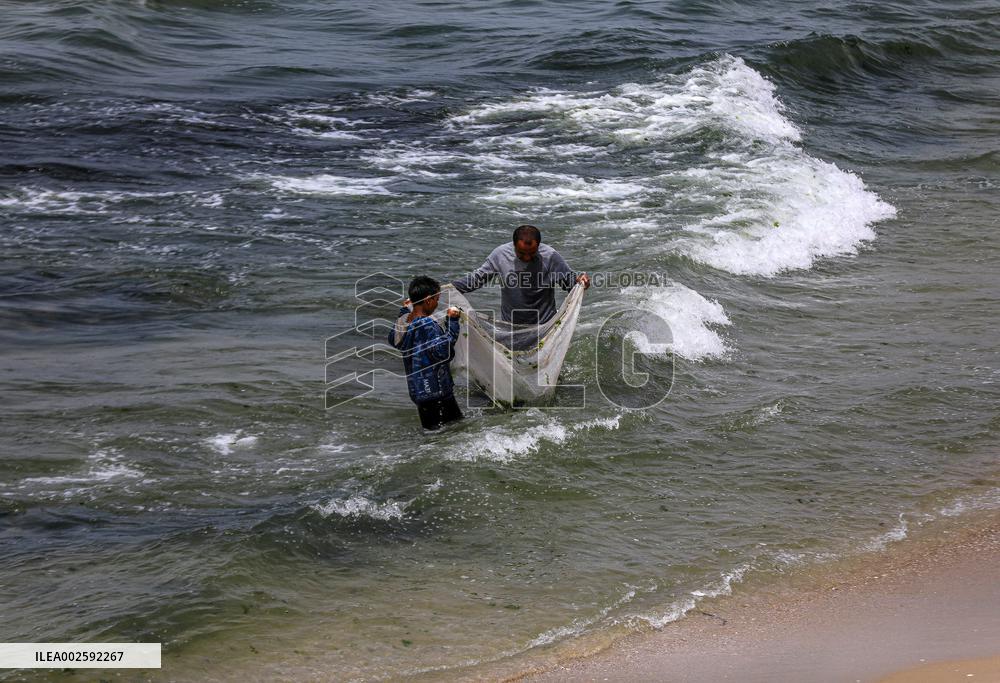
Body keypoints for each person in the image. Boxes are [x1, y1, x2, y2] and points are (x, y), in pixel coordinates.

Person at [451, 225, 590, 325]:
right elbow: (476, 279)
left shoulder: (550, 256)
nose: (527, 258)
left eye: (532, 253)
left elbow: (570, 283)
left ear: (539, 246)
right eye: (521, 253)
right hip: (510, 326)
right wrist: (449, 288)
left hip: (545, 326)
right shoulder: (500, 255)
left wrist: (581, 281)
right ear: (514, 246)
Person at [388, 275, 463, 431]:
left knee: (433, 434)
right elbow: (443, 352)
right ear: (428, 300)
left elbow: (392, 339)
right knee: (454, 431)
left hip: (419, 392)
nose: (436, 304)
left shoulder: (405, 321)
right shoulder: (426, 323)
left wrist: (404, 310)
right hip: (437, 392)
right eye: (436, 300)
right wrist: (452, 321)